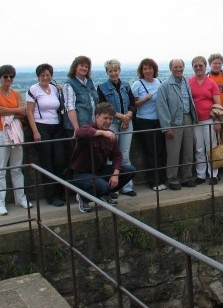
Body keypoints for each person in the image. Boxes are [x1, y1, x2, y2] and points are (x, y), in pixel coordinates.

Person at [69, 102, 136, 213]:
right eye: (105, 118)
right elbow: (79, 132)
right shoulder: (90, 129)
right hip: (82, 173)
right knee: (104, 186)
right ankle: (83, 197)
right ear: (97, 117)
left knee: (130, 170)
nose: (108, 122)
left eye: (111, 119)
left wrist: (115, 174)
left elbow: (117, 156)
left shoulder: (110, 134)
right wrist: (102, 133)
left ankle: (104, 194)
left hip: (99, 170)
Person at [0, 65, 32, 216]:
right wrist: (15, 111)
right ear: (0, 77)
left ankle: (21, 198)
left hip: (16, 132)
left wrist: (8, 111)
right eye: (6, 76)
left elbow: (23, 112)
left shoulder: (16, 93)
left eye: (11, 76)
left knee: (17, 168)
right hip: (0, 132)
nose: (9, 79)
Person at [26, 63, 65, 207]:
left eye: (48, 75)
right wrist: (35, 131)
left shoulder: (54, 89)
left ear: (51, 76)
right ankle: (51, 196)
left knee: (60, 160)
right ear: (38, 76)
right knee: (47, 162)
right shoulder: (33, 90)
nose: (45, 77)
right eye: (42, 75)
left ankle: (61, 192)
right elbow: (29, 112)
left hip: (56, 126)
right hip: (41, 126)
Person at [97, 59, 137, 197]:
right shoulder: (102, 87)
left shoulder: (126, 85)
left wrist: (128, 117)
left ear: (119, 71)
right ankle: (110, 189)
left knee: (125, 155)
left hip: (127, 123)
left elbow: (132, 104)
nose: (113, 73)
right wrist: (122, 117)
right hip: (111, 123)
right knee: (110, 155)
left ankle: (126, 186)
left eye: (115, 70)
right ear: (107, 72)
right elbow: (104, 107)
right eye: (110, 71)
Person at [156, 59, 198, 189]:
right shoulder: (165, 85)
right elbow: (161, 107)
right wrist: (166, 127)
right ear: (171, 69)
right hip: (174, 122)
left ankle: (187, 177)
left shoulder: (186, 82)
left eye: (181, 67)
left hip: (188, 118)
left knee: (188, 151)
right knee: (173, 153)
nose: (178, 69)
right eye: (176, 67)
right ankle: (173, 179)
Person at [131, 58, 167, 190]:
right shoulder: (137, 84)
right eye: (145, 68)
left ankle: (162, 179)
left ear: (154, 70)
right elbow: (133, 104)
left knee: (161, 151)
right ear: (141, 71)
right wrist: (144, 100)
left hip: (159, 121)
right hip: (144, 121)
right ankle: (154, 182)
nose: (147, 71)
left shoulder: (159, 82)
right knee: (150, 152)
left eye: (150, 68)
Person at [189, 56, 221, 185]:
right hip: (196, 120)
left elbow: (217, 103)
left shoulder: (211, 83)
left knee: (211, 148)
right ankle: (201, 174)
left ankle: (213, 174)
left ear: (205, 66)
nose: (198, 68)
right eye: (195, 66)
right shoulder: (189, 82)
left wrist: (218, 121)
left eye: (200, 65)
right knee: (199, 149)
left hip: (210, 119)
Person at [63, 56, 98, 134]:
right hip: (78, 127)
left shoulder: (89, 82)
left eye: (86, 67)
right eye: (81, 65)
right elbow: (70, 108)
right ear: (75, 67)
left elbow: (95, 102)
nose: (84, 68)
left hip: (91, 125)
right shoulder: (69, 84)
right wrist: (77, 129)